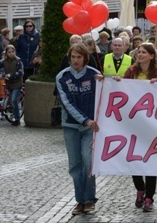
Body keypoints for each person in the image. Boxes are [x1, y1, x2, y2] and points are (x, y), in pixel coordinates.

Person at [55, 43, 102, 215]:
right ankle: (80, 201)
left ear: (85, 58)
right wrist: (85, 120)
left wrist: (110, 81)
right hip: (71, 126)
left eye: (79, 57)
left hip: (91, 127)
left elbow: (107, 92)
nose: (76, 60)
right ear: (69, 58)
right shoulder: (62, 77)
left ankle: (90, 199)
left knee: (88, 161)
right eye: (73, 57)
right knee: (75, 165)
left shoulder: (94, 75)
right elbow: (67, 104)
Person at [120, 43, 157, 212]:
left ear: (152, 56)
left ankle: (149, 198)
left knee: (150, 161)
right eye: (139, 52)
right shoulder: (132, 71)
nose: (140, 55)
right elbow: (122, 90)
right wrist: (117, 82)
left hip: (152, 123)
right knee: (134, 158)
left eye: (144, 52)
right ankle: (140, 188)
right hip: (134, 122)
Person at [0, 45, 24, 125]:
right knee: (10, 100)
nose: (11, 53)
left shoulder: (18, 61)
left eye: (13, 52)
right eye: (9, 52)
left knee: (13, 100)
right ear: (6, 53)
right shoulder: (4, 61)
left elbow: (21, 72)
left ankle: (17, 118)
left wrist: (10, 75)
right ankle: (8, 111)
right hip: (9, 83)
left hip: (17, 83)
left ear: (15, 52)